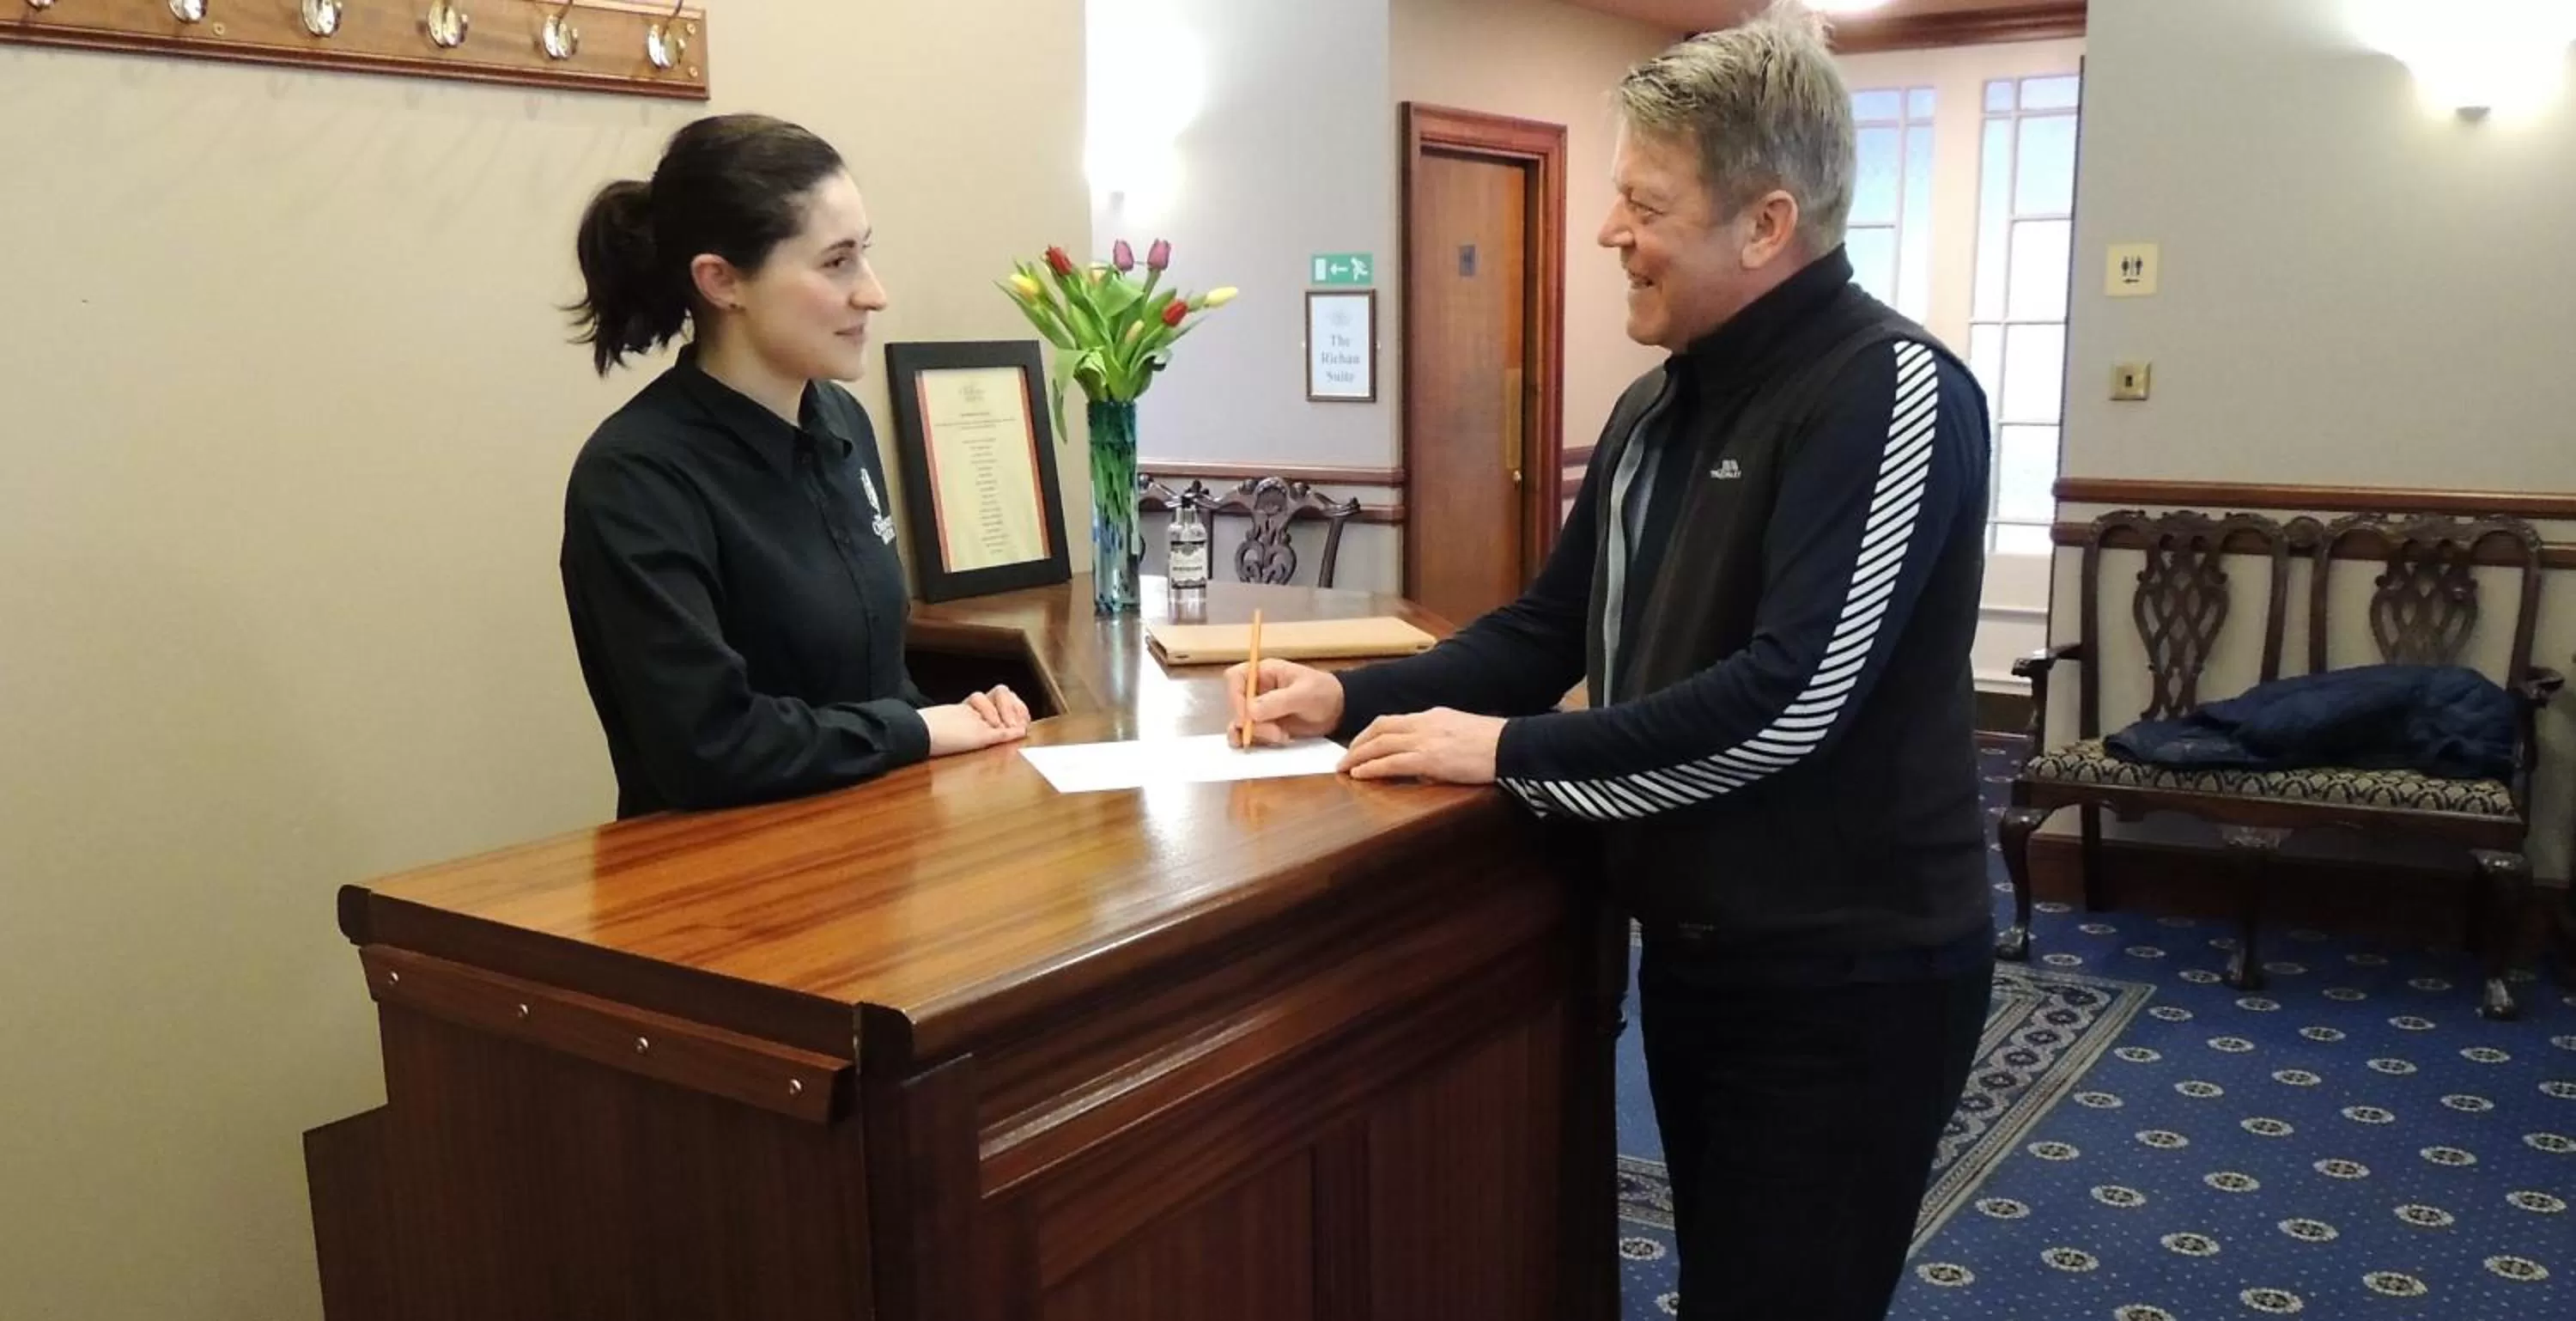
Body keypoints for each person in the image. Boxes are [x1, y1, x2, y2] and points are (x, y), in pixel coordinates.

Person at [1229, 7, 1995, 1318]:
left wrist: (1513, 754)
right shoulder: (1656, 403)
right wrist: (1353, 695)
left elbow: (1790, 701)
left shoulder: (1890, 390)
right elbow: (1548, 631)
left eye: (1642, 202)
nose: (1606, 232)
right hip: (1694, 947)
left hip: (1848, 975)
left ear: (1764, 223)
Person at [559, 113, 1027, 819]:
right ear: (721, 282)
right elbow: (707, 747)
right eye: (837, 262)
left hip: (869, 853)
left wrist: (957, 717)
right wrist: (917, 729)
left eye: (863, 254)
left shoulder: (842, 422)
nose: (874, 292)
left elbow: (870, 683)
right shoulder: (635, 477)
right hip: (715, 887)